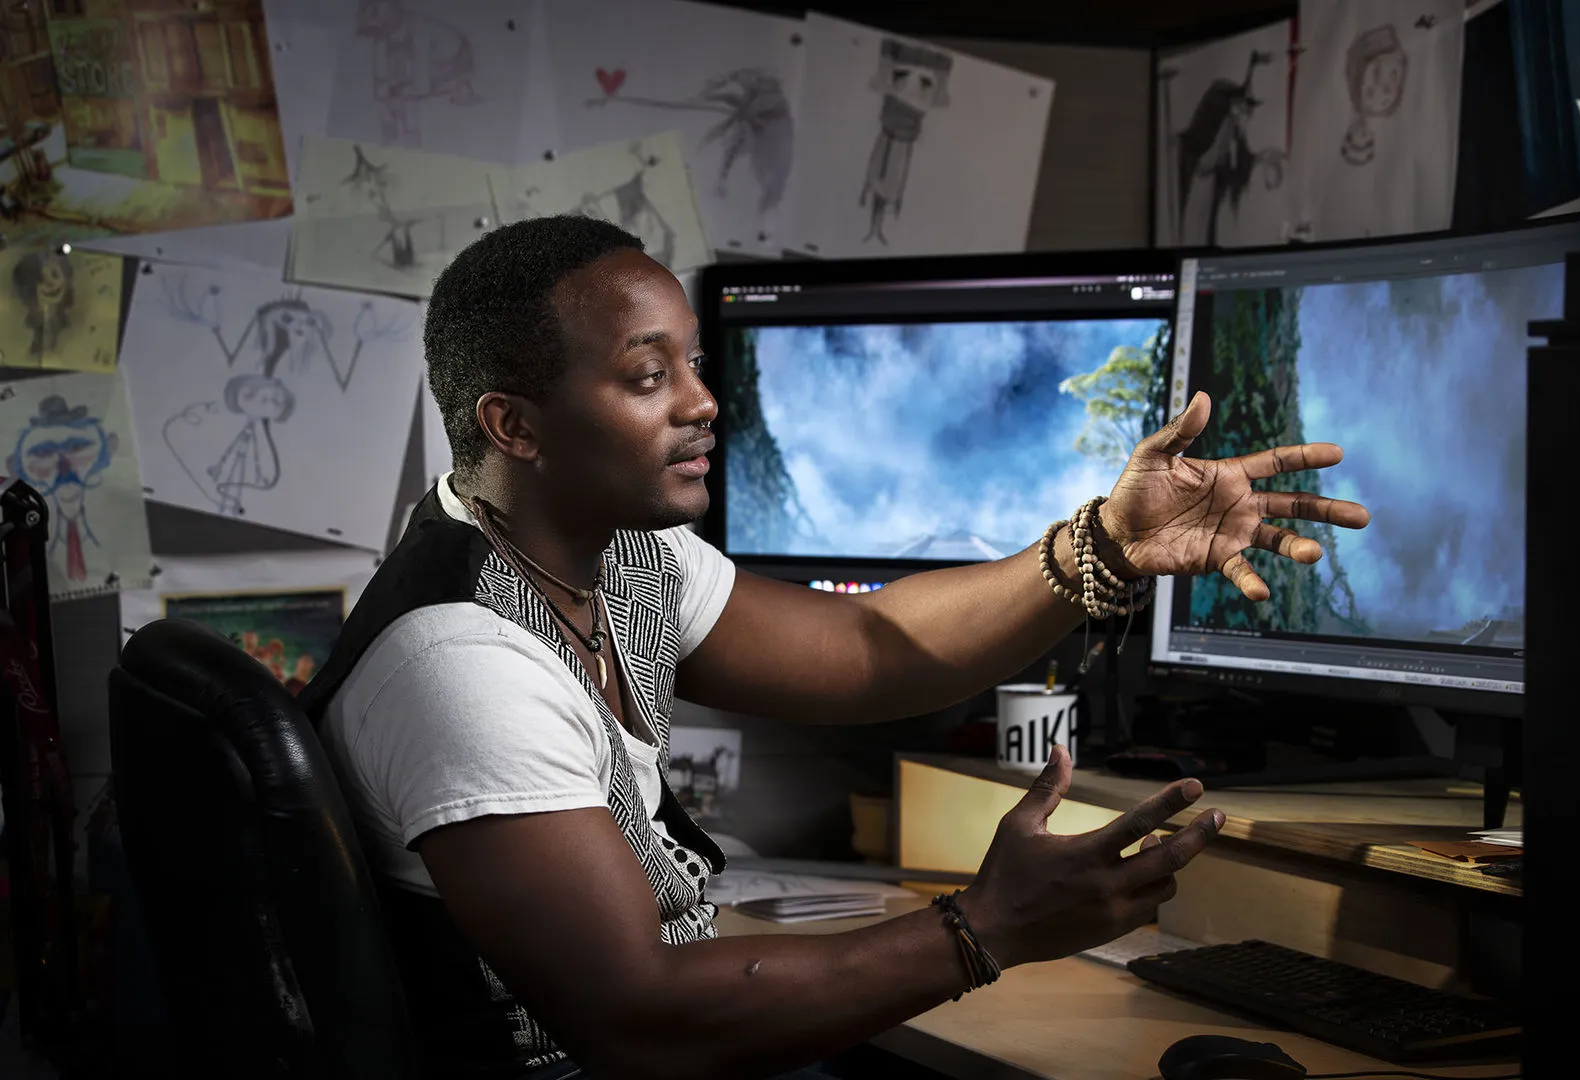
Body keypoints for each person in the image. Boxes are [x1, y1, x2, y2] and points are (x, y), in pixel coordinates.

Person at [300, 215, 1370, 1080]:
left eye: (695, 365)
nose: (704, 402)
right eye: (646, 377)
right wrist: (983, 926)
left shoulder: (616, 556)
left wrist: (1109, 545)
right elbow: (642, 1022)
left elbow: (869, 645)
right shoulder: (461, 663)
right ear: (515, 427)